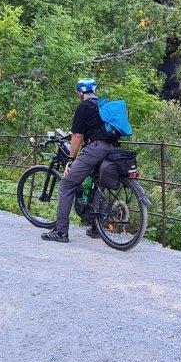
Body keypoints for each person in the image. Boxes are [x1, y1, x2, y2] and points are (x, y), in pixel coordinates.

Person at [41, 77, 118, 243]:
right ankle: (97, 228)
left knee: (67, 184)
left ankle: (61, 232)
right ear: (95, 91)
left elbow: (77, 136)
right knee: (98, 182)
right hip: (114, 149)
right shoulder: (104, 105)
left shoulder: (84, 106)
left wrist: (71, 159)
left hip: (95, 148)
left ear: (81, 93)